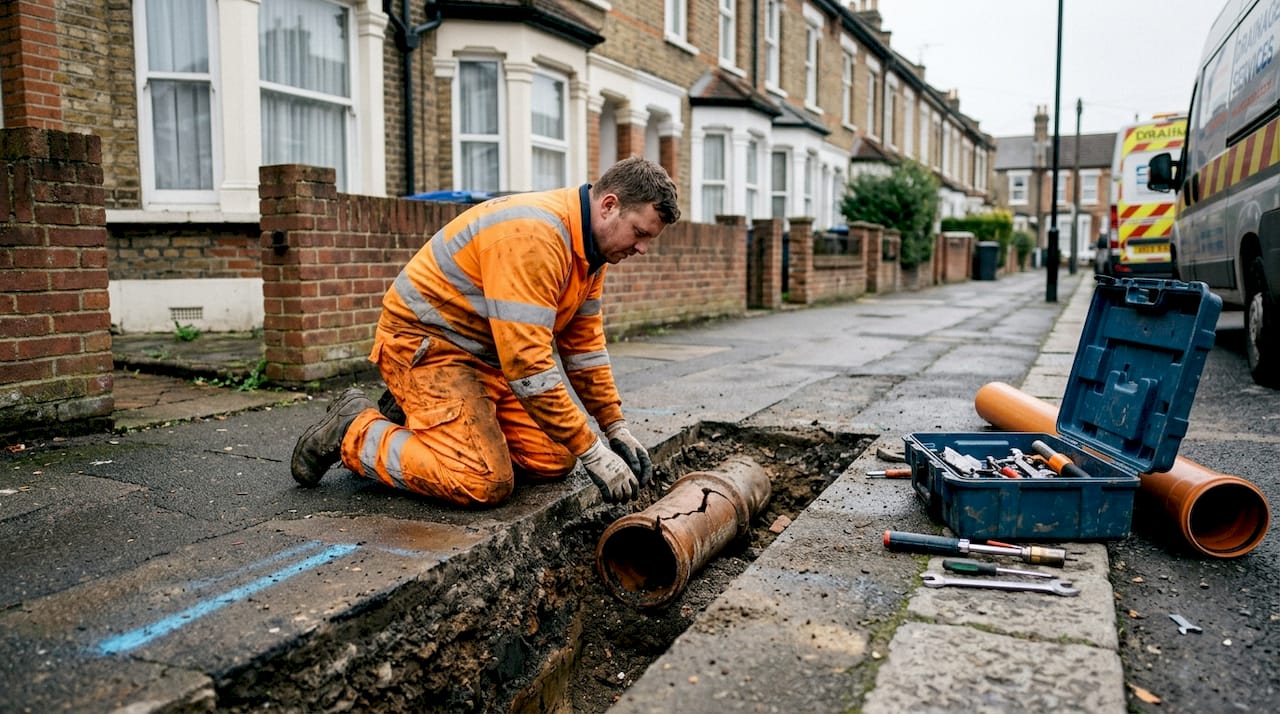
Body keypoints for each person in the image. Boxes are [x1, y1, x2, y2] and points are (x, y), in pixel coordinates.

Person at [290, 157, 681, 507]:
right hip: (426, 348)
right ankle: (352, 429)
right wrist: (593, 452)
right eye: (640, 233)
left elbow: (583, 349)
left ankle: (425, 422)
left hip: (483, 358)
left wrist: (614, 427)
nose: (642, 248)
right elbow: (529, 367)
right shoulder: (535, 237)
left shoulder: (591, 253)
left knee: (555, 457)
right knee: (482, 480)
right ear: (609, 205)